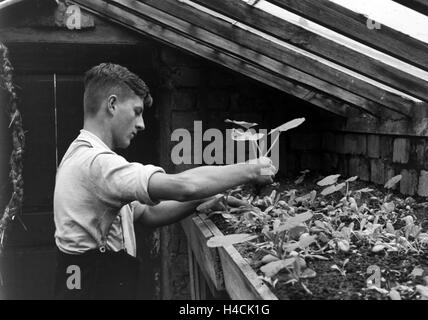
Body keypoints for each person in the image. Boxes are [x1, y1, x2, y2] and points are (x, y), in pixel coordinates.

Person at [53, 63, 276, 300]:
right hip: (93, 287)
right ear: (112, 104)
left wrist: (203, 200)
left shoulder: (79, 154)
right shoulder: (95, 163)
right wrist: (252, 169)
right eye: (137, 111)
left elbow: (145, 214)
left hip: (90, 282)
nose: (141, 124)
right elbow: (183, 187)